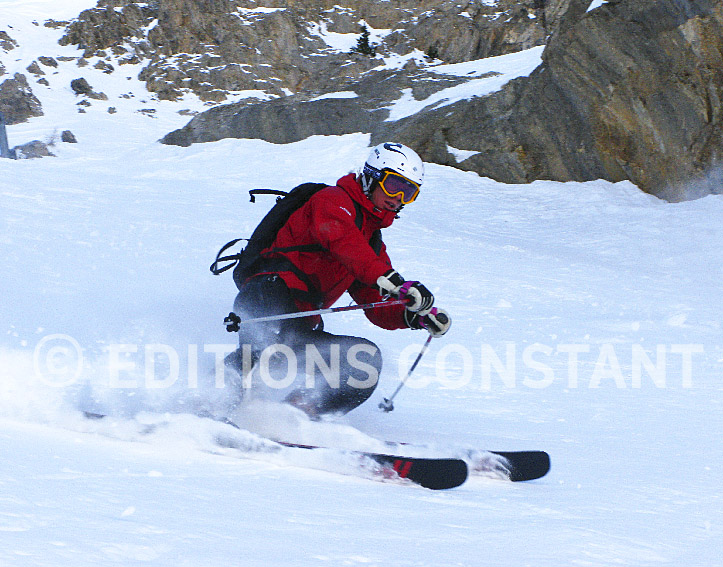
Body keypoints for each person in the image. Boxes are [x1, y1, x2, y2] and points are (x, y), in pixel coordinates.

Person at [225, 142, 451, 418]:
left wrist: (415, 315)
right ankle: (208, 405)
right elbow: (341, 240)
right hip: (267, 296)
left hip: (301, 325)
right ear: (372, 176)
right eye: (394, 185)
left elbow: (375, 301)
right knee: (259, 350)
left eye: (409, 192)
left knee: (363, 362)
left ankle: (291, 418)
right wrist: (390, 280)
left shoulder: (371, 244)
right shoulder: (332, 201)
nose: (398, 198)